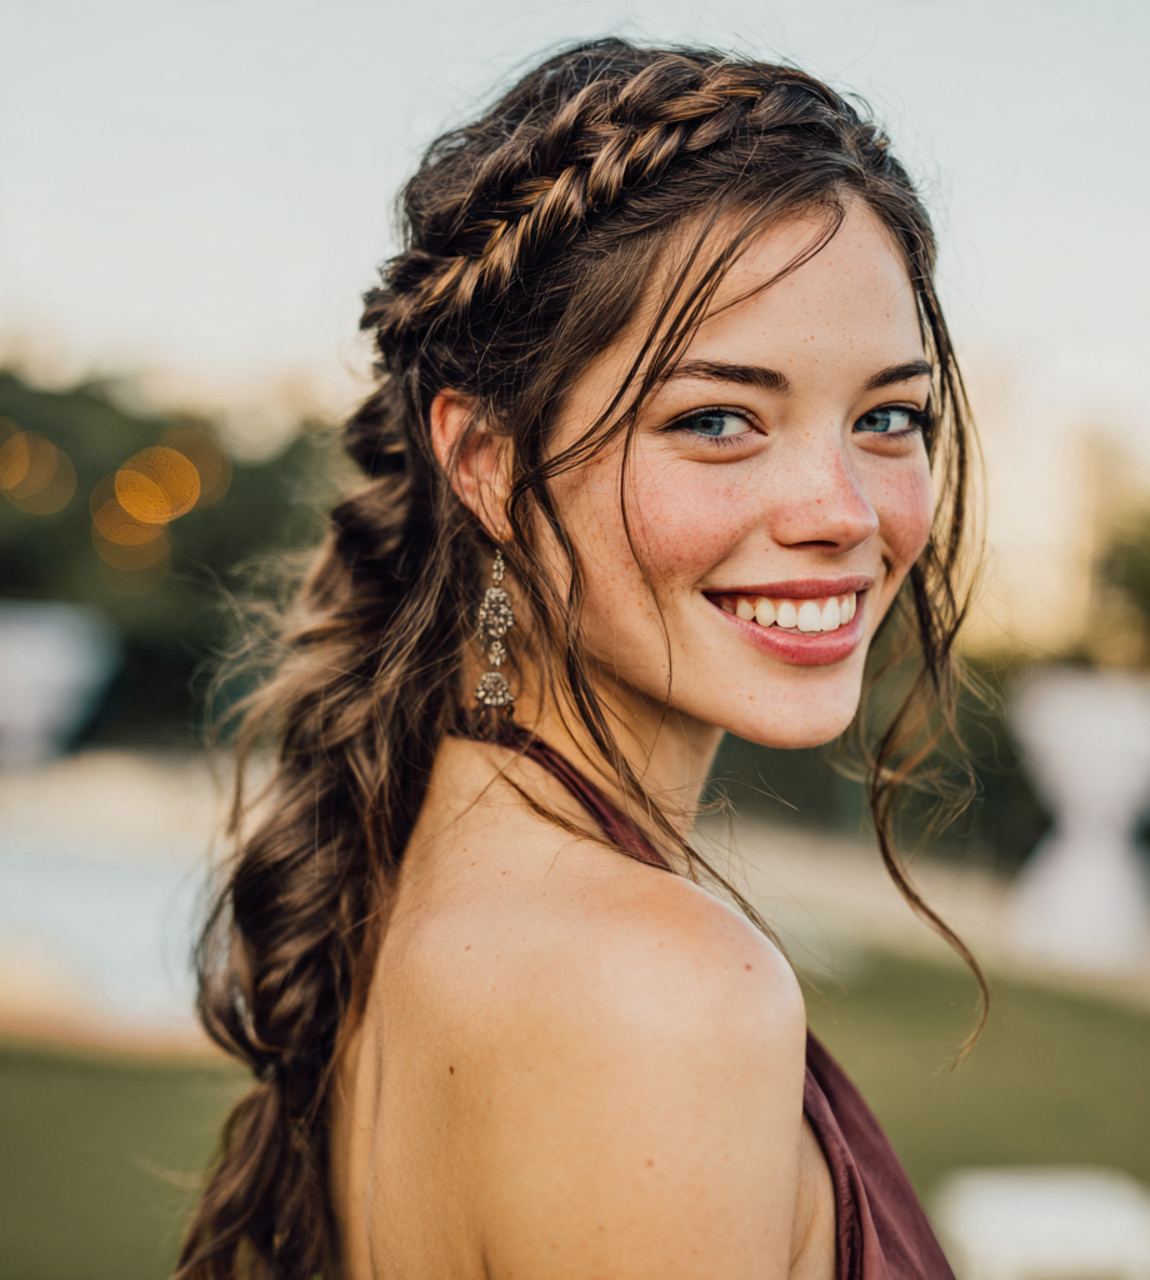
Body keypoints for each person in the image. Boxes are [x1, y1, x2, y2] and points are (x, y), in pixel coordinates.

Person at [176, 38, 981, 1280]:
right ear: (488, 460)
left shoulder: (425, 846)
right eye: (716, 417)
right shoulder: (656, 993)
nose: (841, 508)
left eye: (887, 416)